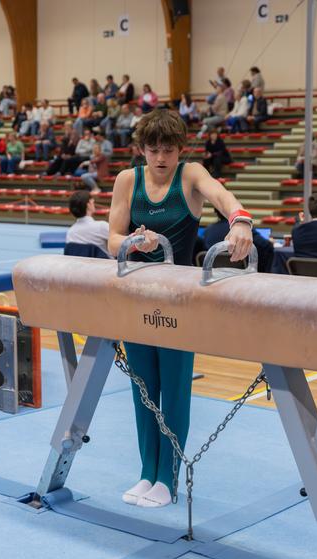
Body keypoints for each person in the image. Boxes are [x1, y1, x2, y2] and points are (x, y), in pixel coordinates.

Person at [108, 108, 253, 508]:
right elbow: (112, 239)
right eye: (152, 150)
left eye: (168, 151)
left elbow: (221, 196)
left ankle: (168, 481)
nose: (160, 158)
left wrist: (240, 221)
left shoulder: (189, 175)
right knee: (142, 389)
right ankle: (146, 473)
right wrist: (133, 244)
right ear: (141, 149)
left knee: (173, 390)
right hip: (137, 295)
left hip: (178, 299)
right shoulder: (127, 180)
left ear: (180, 149)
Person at [204, 209, 273, 273]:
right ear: (234, 212)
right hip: (241, 274)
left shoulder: (208, 230)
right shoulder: (242, 228)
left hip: (216, 274)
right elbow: (265, 245)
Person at [66, 190, 110, 256]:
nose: (94, 204)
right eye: (93, 202)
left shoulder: (70, 233)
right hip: (103, 265)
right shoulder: (101, 227)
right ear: (88, 205)